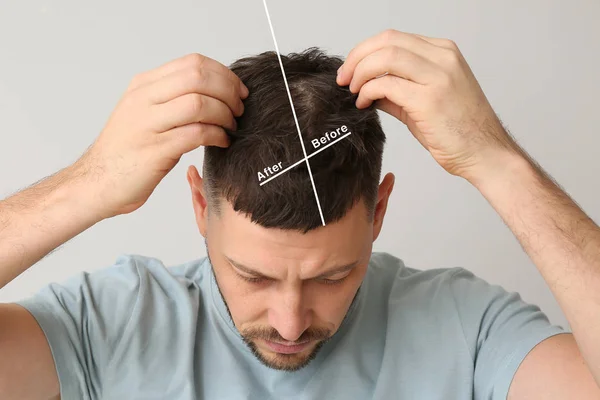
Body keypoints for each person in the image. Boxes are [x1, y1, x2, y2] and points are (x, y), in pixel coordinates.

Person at [0, 29, 598, 400]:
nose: (289, 323)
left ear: (380, 210)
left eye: (330, 277)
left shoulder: (468, 331)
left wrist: (496, 162)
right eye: (254, 276)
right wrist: (85, 184)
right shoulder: (108, 323)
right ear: (199, 209)